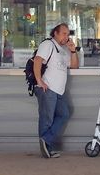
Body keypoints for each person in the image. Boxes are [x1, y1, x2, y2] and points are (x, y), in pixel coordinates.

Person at [33, 22, 79, 158]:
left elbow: (74, 67)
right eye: (64, 33)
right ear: (55, 33)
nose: (66, 36)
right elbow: (37, 61)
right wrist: (39, 81)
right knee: (46, 119)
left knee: (64, 114)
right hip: (48, 88)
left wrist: (72, 51)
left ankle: (46, 140)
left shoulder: (64, 49)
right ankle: (47, 150)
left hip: (59, 91)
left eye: (68, 34)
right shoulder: (48, 44)